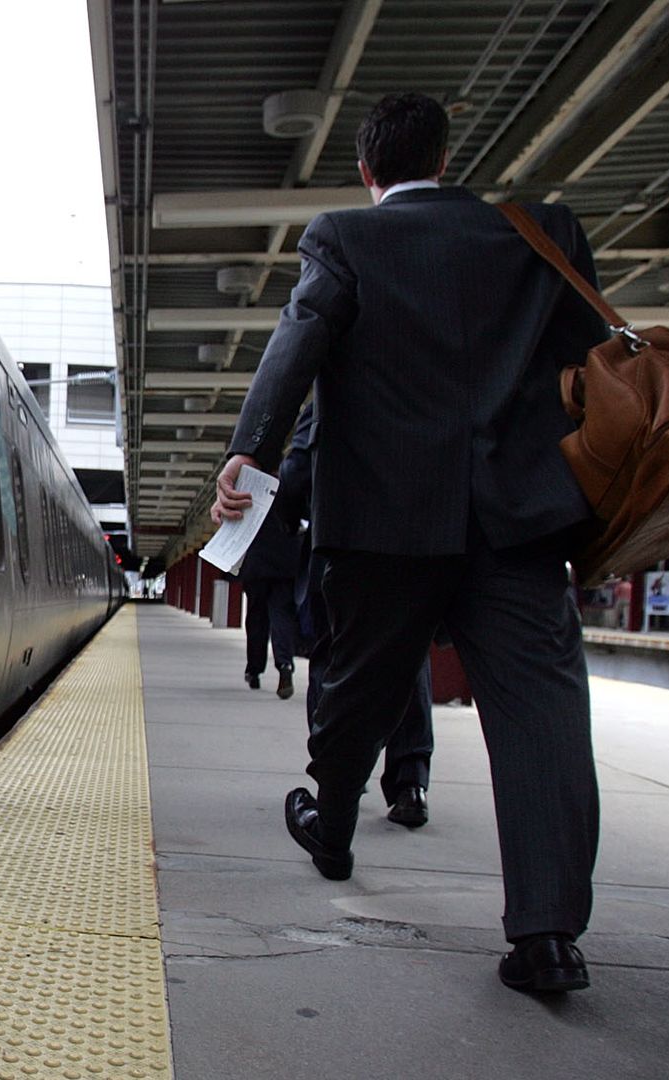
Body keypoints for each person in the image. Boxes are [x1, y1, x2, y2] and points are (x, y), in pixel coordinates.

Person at [212, 92, 605, 994]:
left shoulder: (346, 238)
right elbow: (593, 360)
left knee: (358, 688)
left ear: (366, 170)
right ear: (446, 153)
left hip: (386, 522)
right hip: (519, 524)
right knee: (541, 718)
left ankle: (334, 827)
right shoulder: (541, 233)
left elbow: (299, 338)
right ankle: (547, 937)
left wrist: (250, 451)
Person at [280, 405, 434, 826]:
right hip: (418, 543)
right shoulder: (435, 380)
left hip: (343, 546)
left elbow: (296, 474)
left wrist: (289, 513)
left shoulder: (343, 377)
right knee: (410, 659)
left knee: (332, 660)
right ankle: (410, 785)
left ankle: (336, 782)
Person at [240, 479, 303, 699]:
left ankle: (254, 670)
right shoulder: (292, 487)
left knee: (256, 617)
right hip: (287, 565)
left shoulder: (252, 489)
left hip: (257, 566)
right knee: (282, 615)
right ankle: (285, 665)